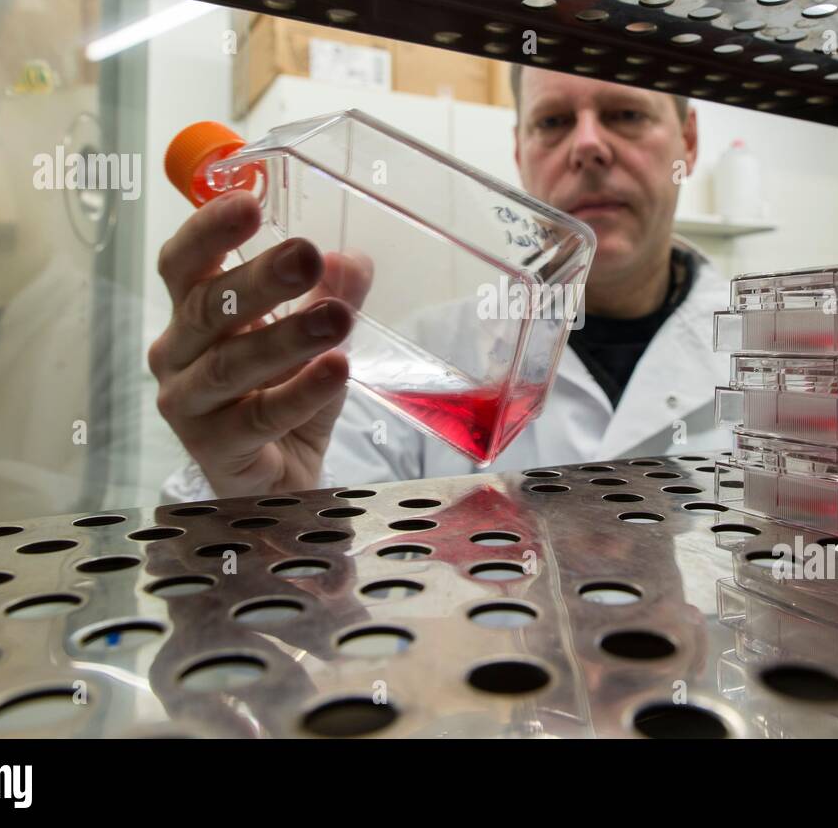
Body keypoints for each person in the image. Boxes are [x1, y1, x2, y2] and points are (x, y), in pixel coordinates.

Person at [155, 67, 730, 502]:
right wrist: (261, 499)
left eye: (626, 113)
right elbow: (320, 593)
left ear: (688, 140)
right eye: (553, 121)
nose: (587, 147)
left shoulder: (788, 356)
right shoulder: (407, 361)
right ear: (519, 153)